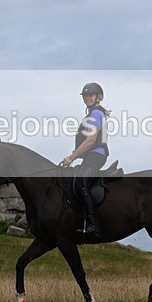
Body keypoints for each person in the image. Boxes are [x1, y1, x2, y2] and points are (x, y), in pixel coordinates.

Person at [60, 82, 110, 237]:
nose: (88, 97)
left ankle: (93, 225)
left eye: (91, 95)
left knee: (81, 182)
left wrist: (71, 157)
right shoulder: (91, 114)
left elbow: (90, 140)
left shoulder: (95, 113)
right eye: (86, 95)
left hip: (96, 155)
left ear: (98, 97)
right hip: (90, 156)